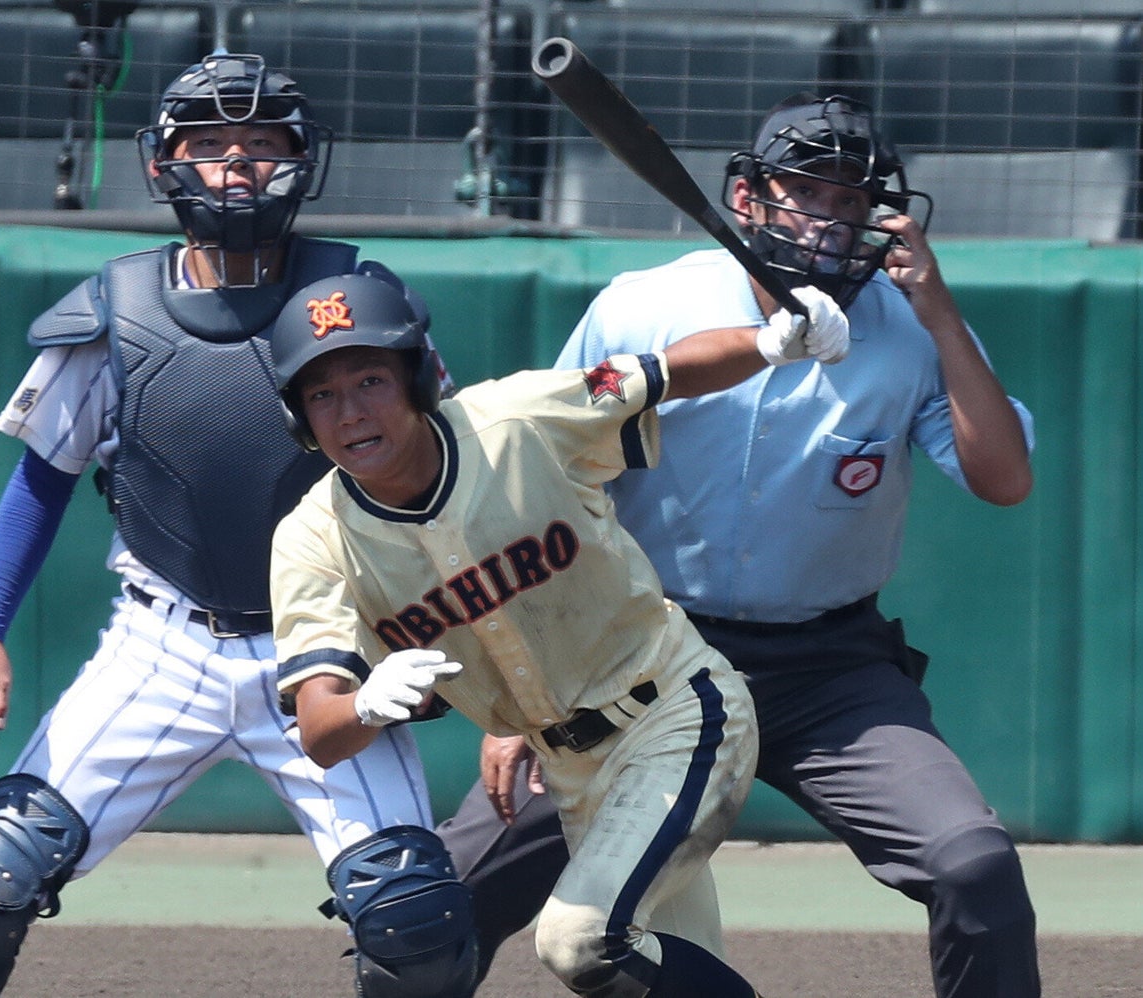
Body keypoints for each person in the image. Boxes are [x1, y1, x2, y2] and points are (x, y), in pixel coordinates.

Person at [0, 52, 478, 998]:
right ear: (166, 163)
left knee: (413, 921)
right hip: (163, 644)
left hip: (324, 649)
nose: (237, 167)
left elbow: (443, 484)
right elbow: (40, 485)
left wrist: (458, 634)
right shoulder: (114, 311)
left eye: (262, 146)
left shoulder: (363, 302)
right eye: (210, 146)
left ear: (302, 160)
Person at [434, 93, 1040, 996]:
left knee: (974, 865)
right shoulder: (642, 308)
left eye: (850, 199)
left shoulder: (913, 331)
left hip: (825, 670)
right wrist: (519, 689)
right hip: (632, 655)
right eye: (806, 191)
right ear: (748, 198)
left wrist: (941, 311)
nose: (829, 219)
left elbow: (1005, 479)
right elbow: (539, 489)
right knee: (432, 905)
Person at [268, 270, 851, 997]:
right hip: (568, 770)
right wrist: (363, 705)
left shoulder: (517, 420)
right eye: (321, 395)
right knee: (656, 968)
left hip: (674, 712)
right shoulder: (311, 540)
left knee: (581, 942)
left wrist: (768, 343)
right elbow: (320, 731)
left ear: (417, 381)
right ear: (298, 417)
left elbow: (662, 371)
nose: (350, 412)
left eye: (371, 380)